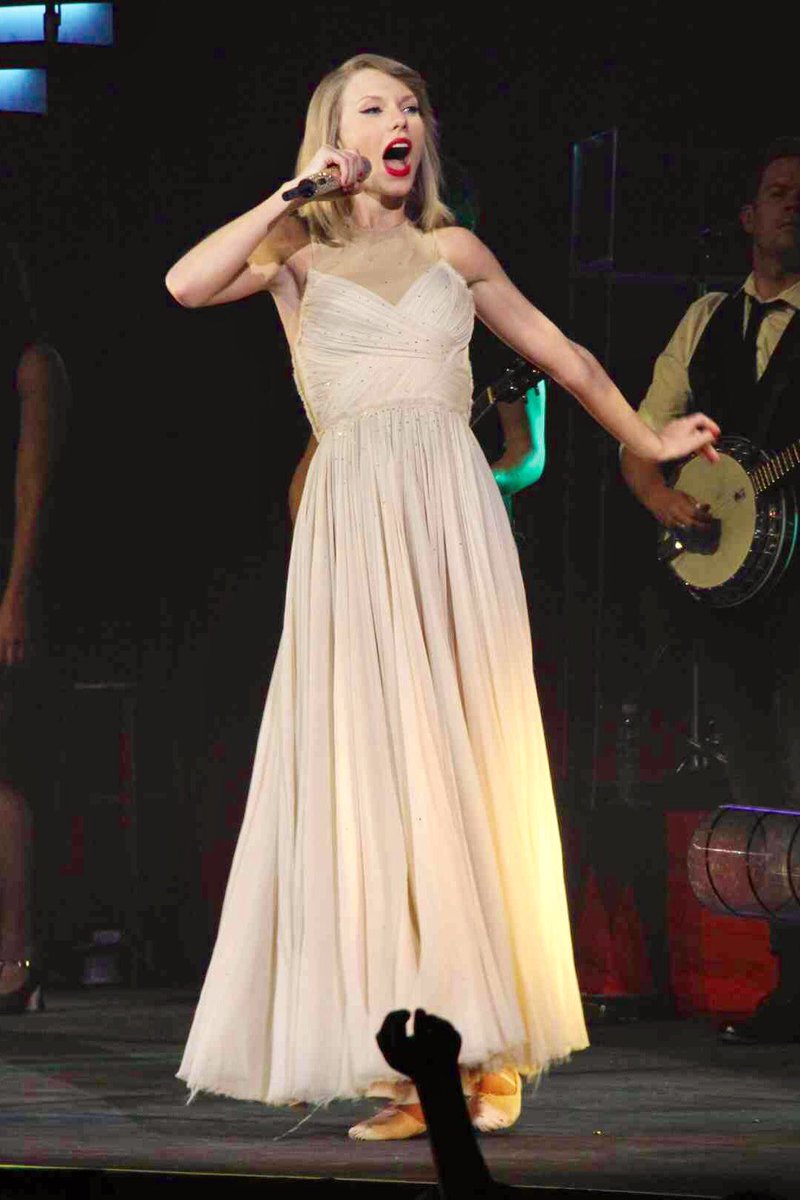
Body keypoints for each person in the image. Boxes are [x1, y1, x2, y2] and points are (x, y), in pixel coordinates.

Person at [165, 52, 718, 1138]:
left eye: (410, 106)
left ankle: (490, 1047)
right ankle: (412, 1059)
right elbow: (185, 285)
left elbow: (565, 356)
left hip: (451, 521)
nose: (400, 119)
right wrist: (290, 195)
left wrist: (649, 442)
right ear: (335, 134)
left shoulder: (452, 251)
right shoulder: (291, 251)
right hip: (350, 525)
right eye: (373, 106)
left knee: (465, 768)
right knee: (372, 782)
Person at [620, 138, 800, 1043]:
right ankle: (790, 986)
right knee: (763, 786)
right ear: (747, 216)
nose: (793, 205)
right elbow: (640, 437)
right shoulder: (705, 318)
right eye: (778, 192)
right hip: (735, 600)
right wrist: (665, 501)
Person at [0, 233, 69, 1014]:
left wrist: (16, 593)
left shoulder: (33, 365)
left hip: (8, 585)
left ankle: (16, 963)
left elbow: (33, 488)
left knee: (5, 772)